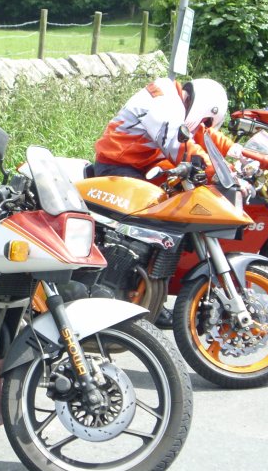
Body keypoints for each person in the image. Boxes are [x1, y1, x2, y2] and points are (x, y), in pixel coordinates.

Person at [93, 77, 245, 328]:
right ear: (204, 106)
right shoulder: (164, 104)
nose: (204, 124)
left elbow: (203, 134)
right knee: (158, 228)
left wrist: (240, 153)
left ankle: (152, 300)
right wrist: (222, 173)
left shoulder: (175, 102)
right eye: (207, 119)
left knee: (174, 219)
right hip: (118, 168)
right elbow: (181, 146)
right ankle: (126, 291)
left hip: (140, 166)